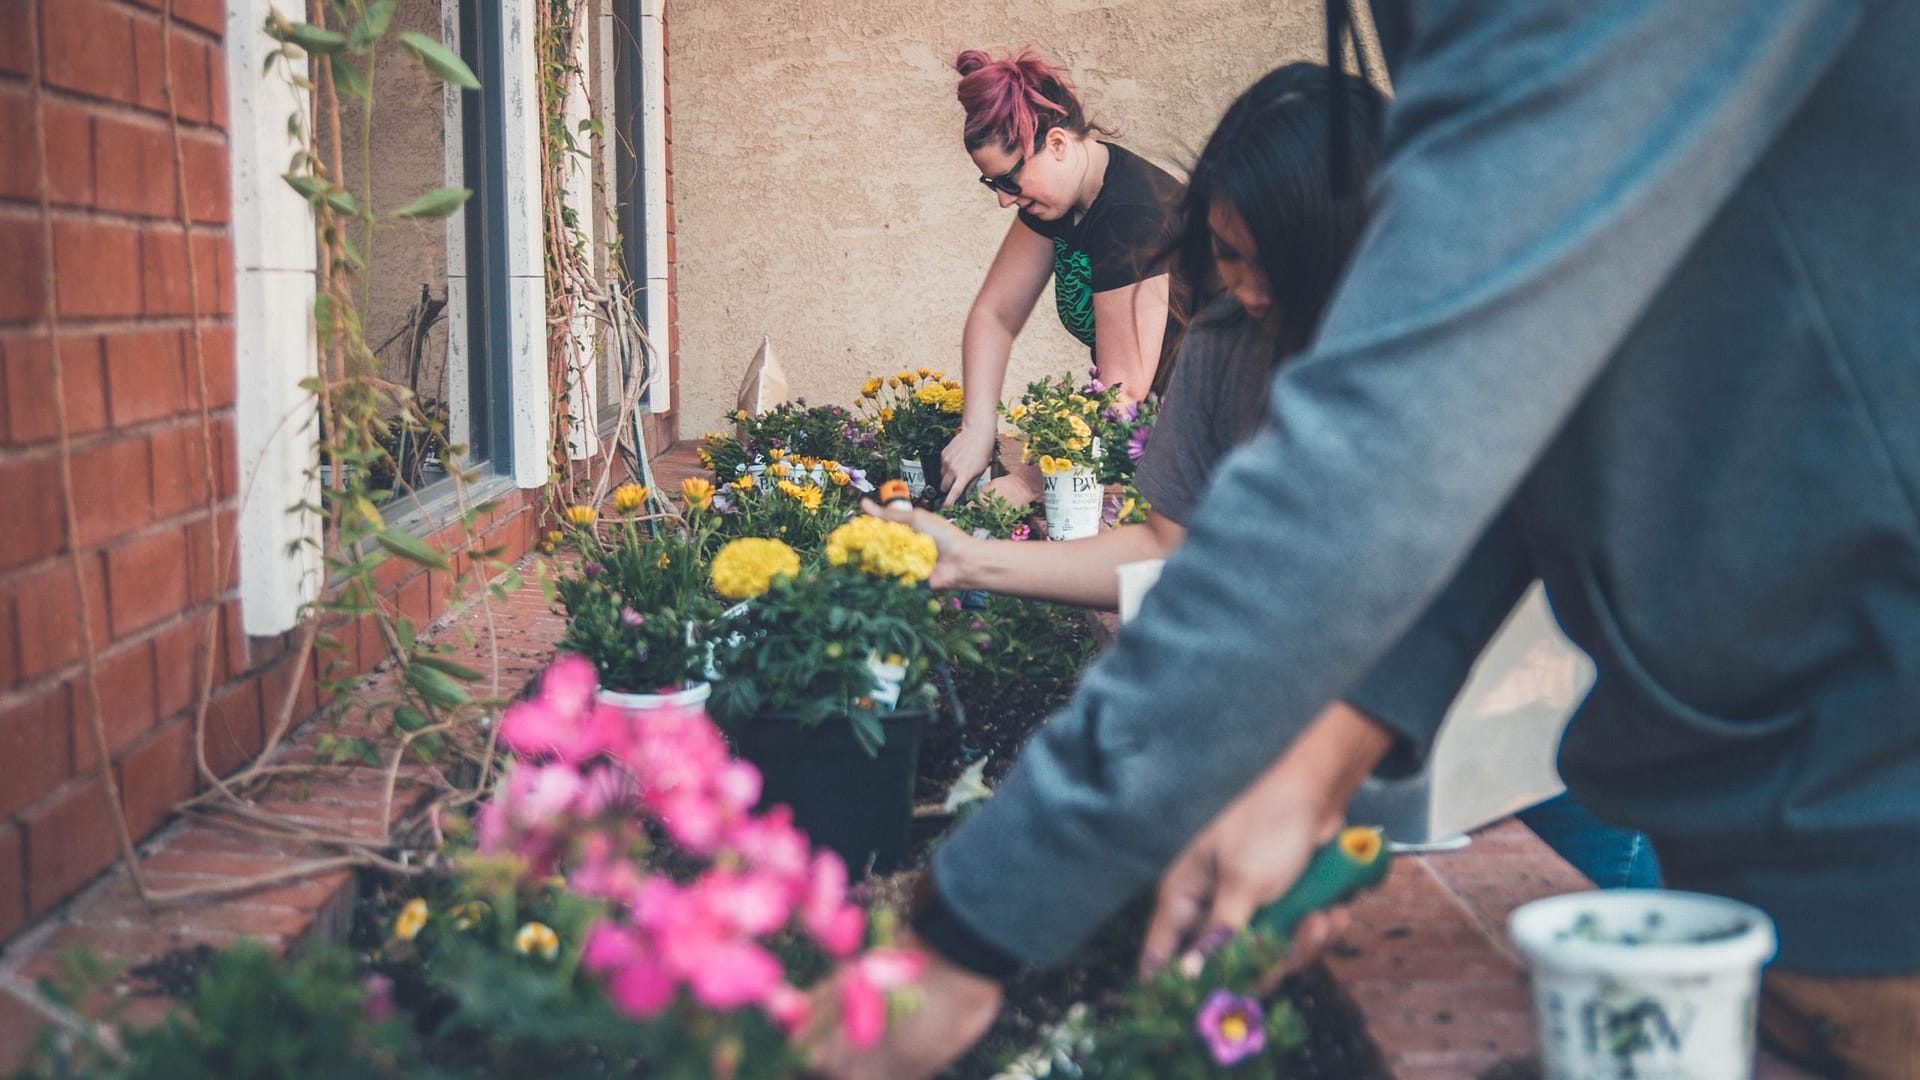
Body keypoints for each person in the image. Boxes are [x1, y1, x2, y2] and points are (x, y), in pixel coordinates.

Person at [814, 1, 1920, 1077]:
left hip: (1858, 807)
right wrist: (1315, 767)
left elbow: (1404, 444)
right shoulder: (1239, 319)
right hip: (1763, 817)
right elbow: (1475, 453)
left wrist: (977, 925)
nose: (1238, 295)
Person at [881, 61, 1661, 891]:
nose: (1244, 290)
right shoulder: (1222, 343)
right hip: (1370, 742)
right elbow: (1166, 545)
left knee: (1607, 917)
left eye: (1269, 263)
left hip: (1545, 724)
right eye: (1224, 256)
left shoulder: (1460, 343)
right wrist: (968, 559)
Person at [937, 49, 1187, 508]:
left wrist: (1028, 482)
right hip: (1156, 439)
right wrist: (977, 428)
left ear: (1055, 144)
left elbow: (1124, 396)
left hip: (1217, 439)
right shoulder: (1060, 200)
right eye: (993, 184)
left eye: (1009, 181)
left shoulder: (1131, 217)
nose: (1004, 201)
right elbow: (995, 315)